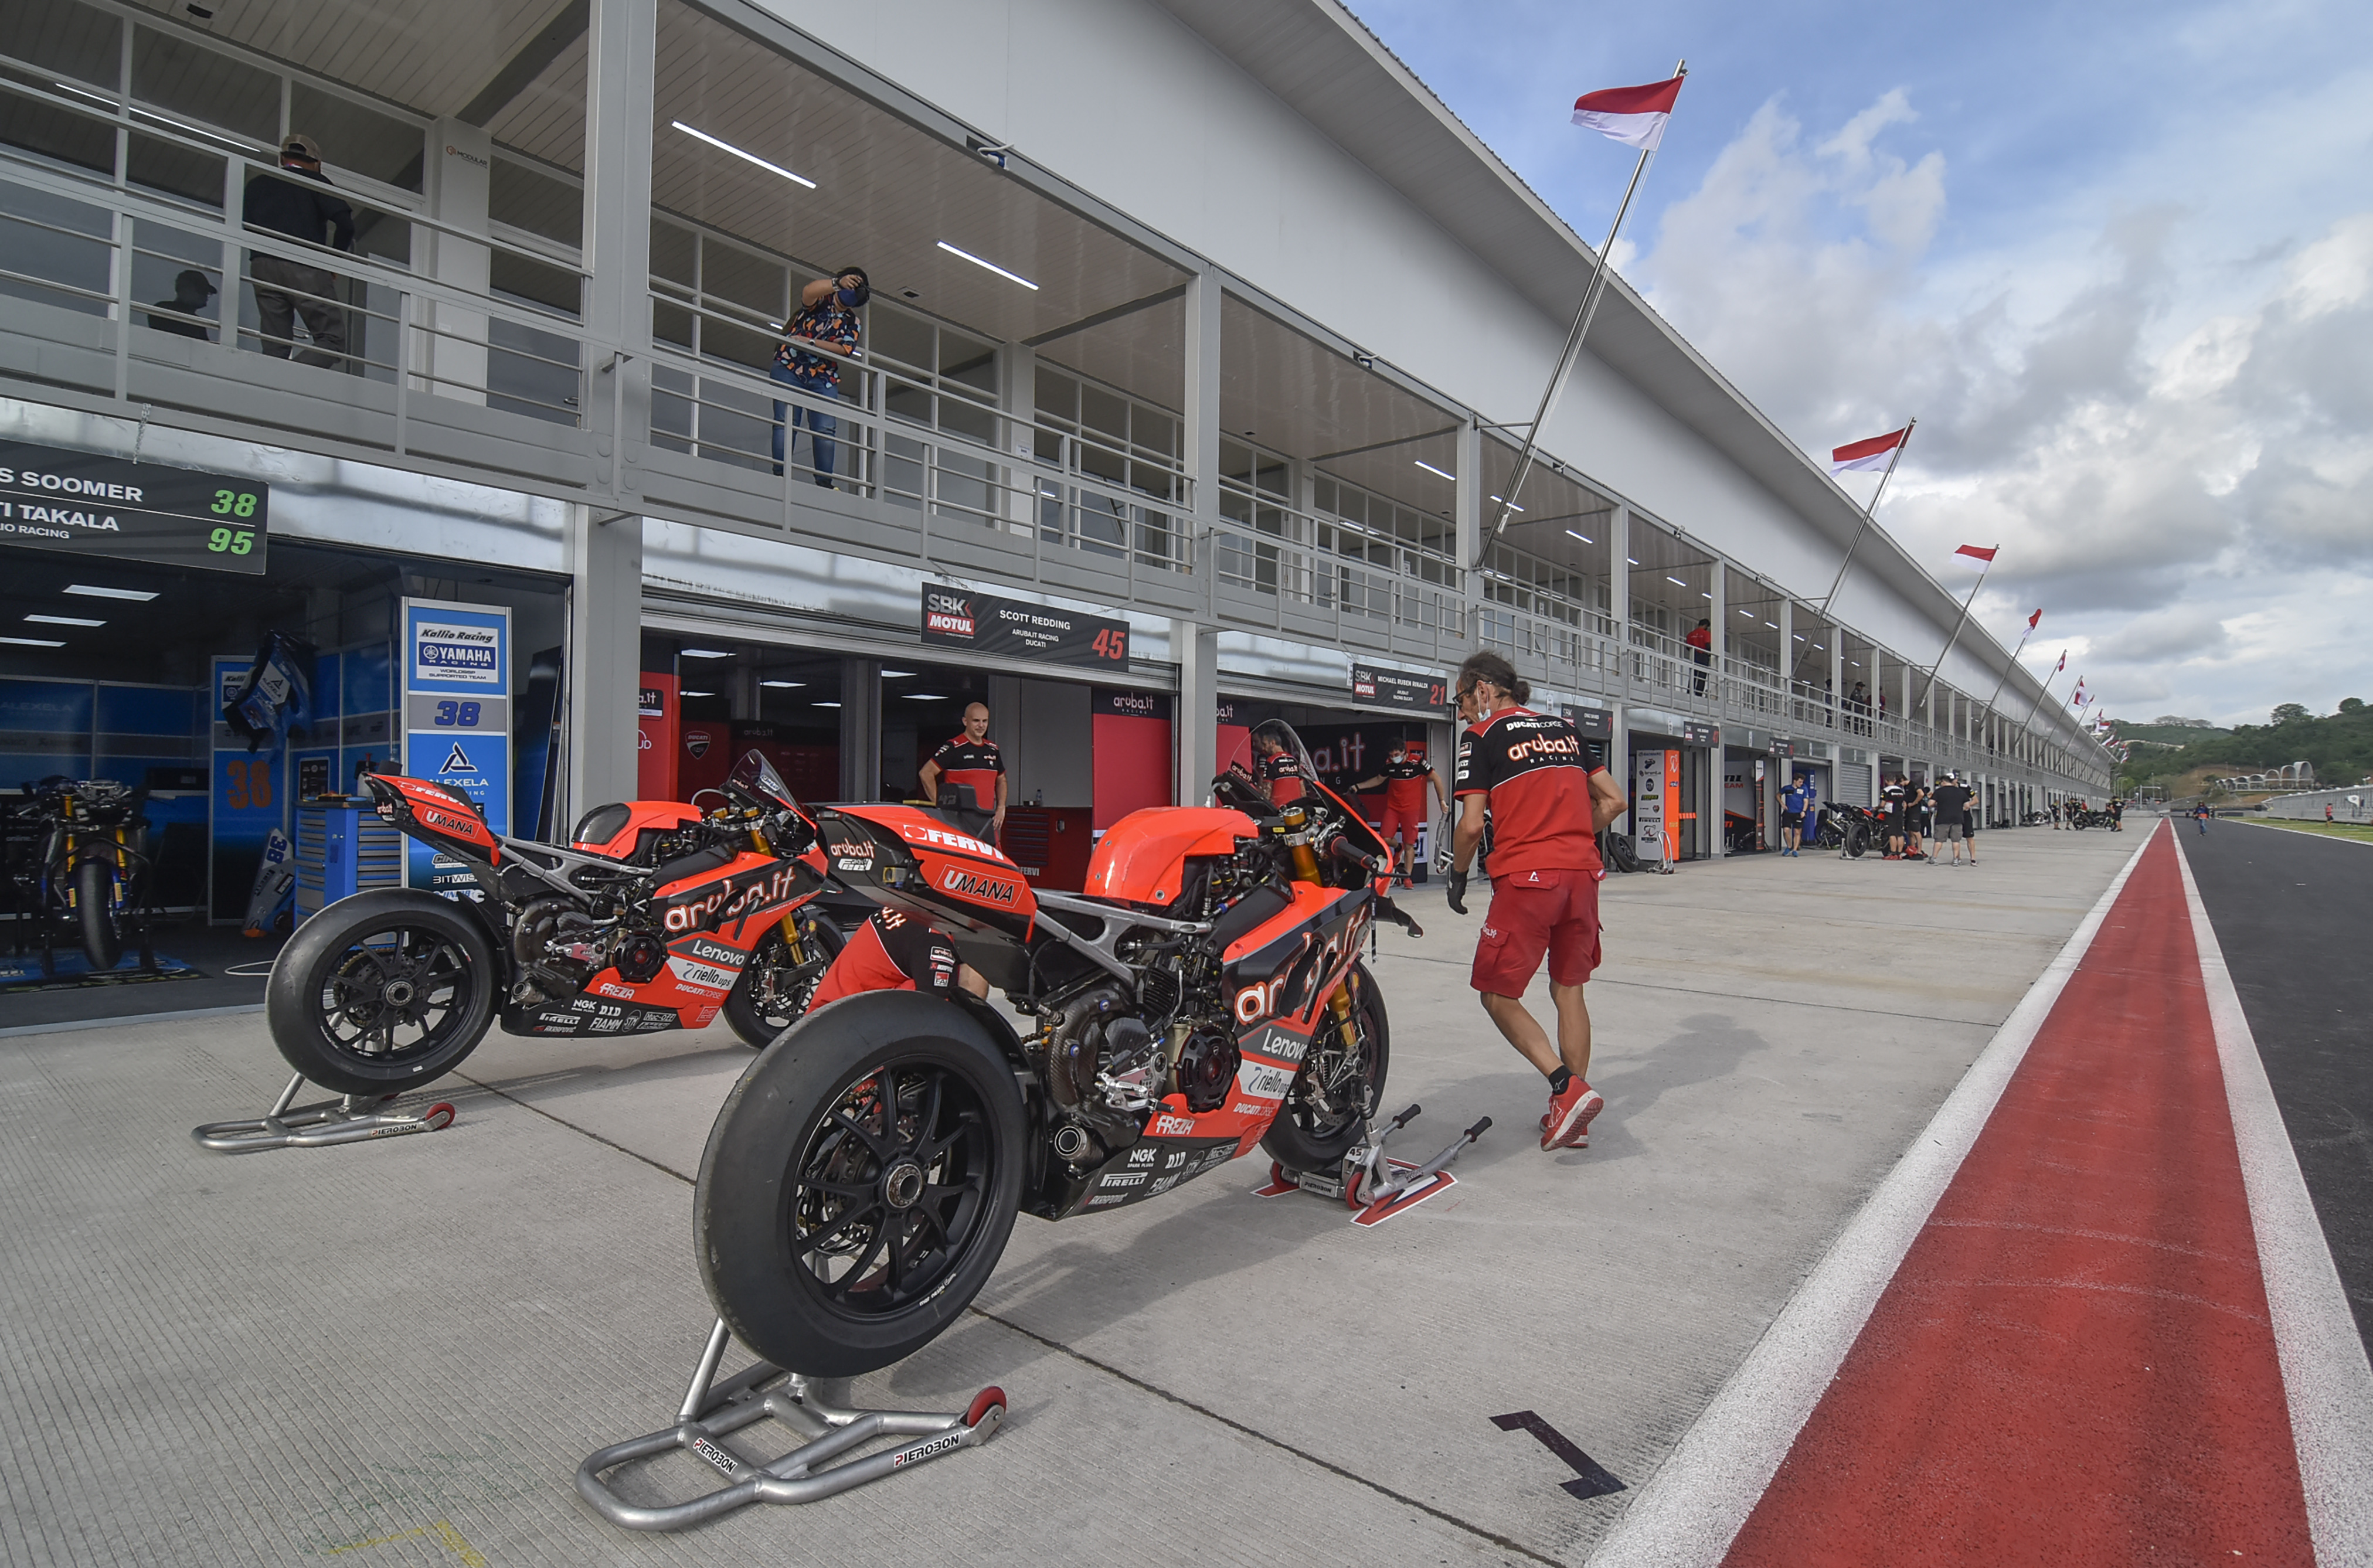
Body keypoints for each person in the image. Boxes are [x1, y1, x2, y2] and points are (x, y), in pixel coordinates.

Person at [1443, 652, 1629, 1153]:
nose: (1460, 712)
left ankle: (1564, 1087)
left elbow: (1470, 825)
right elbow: (1613, 800)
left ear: (1482, 690)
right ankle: (1573, 1116)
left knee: (1496, 992)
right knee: (1569, 990)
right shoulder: (1567, 731)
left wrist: (1458, 875)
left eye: (1461, 699)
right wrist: (1567, 836)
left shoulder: (1480, 738)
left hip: (1528, 880)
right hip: (1583, 875)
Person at [242, 133, 355, 367]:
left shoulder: (257, 185)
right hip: (304, 263)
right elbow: (346, 225)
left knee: (275, 346)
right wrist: (333, 262)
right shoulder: (315, 182)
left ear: (283, 158)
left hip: (263, 265)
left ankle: (274, 387)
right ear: (317, 165)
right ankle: (293, 378)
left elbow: (246, 225)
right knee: (332, 340)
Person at [773, 267, 868, 485]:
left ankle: (824, 482)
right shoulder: (820, 301)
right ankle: (780, 474)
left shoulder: (853, 322)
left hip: (823, 377)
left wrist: (811, 342)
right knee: (786, 421)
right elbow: (808, 291)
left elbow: (845, 350)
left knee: (825, 428)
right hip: (790, 366)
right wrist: (838, 283)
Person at [808, 906, 990, 1009]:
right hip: (842, 1030)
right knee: (971, 975)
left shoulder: (918, 908)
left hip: (830, 1017)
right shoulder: (934, 936)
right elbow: (936, 1014)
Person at [1351, 737, 1448, 883]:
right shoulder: (1389, 764)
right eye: (1391, 755)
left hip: (1411, 810)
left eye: (1396, 754)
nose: (1394, 758)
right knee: (1385, 838)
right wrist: (1358, 787)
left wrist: (1441, 801)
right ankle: (1398, 848)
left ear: (1404, 752)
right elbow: (1378, 779)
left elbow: (1437, 778)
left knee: (1410, 844)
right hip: (1393, 808)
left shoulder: (1417, 762)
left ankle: (1407, 877)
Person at [918, 701, 1005, 845]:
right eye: (976, 721)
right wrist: (940, 807)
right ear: (965, 721)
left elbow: (1001, 779)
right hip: (960, 820)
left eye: (985, 721)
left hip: (987, 820)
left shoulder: (992, 749)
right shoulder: (954, 747)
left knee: (989, 864)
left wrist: (1001, 807)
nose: (981, 725)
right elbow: (926, 773)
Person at [145, 268, 217, 341]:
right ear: (185, 289)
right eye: (201, 290)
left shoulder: (198, 324)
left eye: (207, 292)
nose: (205, 295)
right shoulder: (163, 309)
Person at [1253, 726, 1307, 807]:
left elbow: (1267, 791)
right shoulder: (1294, 760)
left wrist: (1264, 807)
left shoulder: (1272, 761)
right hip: (1295, 810)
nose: (1264, 748)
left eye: (1265, 744)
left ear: (1272, 743)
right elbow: (1302, 790)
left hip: (1280, 810)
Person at [1931, 771, 1973, 865]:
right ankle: (1956, 860)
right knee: (1956, 840)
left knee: (1939, 840)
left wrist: (1938, 805)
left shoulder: (1939, 791)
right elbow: (1967, 805)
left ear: (1944, 782)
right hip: (1958, 819)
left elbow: (1930, 803)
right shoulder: (1960, 792)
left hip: (1943, 819)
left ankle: (1934, 858)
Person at [1779, 774, 1811, 856]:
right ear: (1795, 781)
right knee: (1786, 830)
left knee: (1797, 832)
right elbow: (1778, 795)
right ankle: (1789, 846)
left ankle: (1795, 850)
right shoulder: (1787, 788)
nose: (1801, 783)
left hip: (1798, 813)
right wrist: (1782, 804)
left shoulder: (1804, 789)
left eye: (1802, 782)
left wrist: (1804, 811)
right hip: (1788, 812)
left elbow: (1806, 801)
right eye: (1800, 782)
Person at [1881, 775, 1908, 858]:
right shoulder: (1901, 790)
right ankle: (1899, 854)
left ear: (1886, 781)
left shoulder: (1886, 790)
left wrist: (1877, 808)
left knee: (1892, 833)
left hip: (1890, 813)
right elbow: (1905, 804)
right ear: (1895, 781)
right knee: (1900, 834)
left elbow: (1882, 804)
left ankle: (1893, 854)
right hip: (1899, 813)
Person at [1686, 618, 1712, 696]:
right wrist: (1710, 653)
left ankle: (1690, 692)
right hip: (1703, 655)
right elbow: (1707, 645)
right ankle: (1698, 693)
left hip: (1694, 655)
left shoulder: (1691, 634)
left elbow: (1688, 647)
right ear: (1706, 626)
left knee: (1693, 675)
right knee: (1702, 676)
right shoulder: (1706, 634)